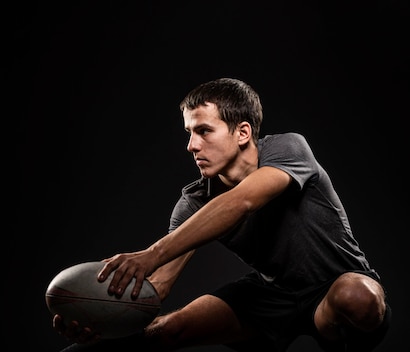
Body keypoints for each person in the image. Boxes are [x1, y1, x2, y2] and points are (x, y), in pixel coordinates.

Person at [52, 78, 392, 352]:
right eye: (189, 133)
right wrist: (105, 322)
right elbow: (158, 286)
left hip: (336, 281)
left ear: (243, 132)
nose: (192, 146)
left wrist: (152, 253)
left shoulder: (288, 149)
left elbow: (242, 200)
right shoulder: (194, 202)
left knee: (356, 298)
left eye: (203, 131)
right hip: (270, 296)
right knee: (167, 332)